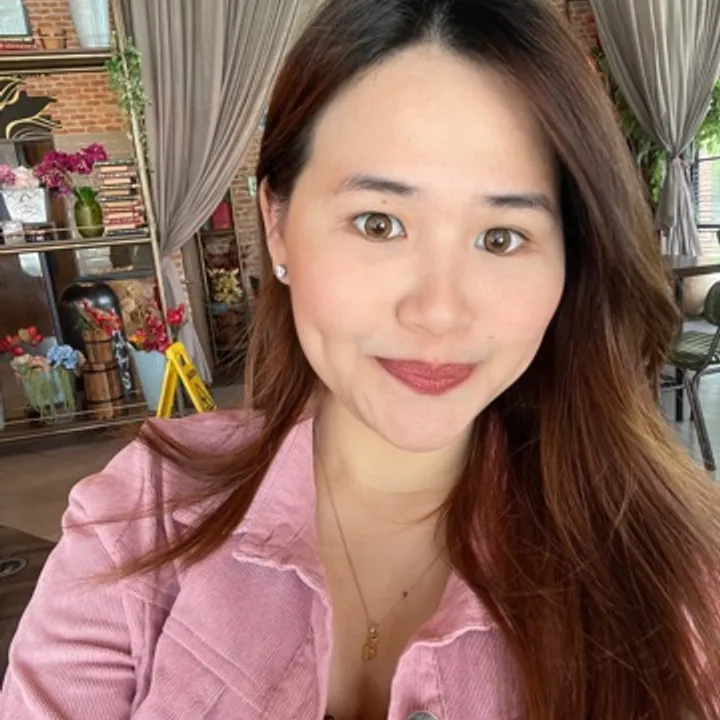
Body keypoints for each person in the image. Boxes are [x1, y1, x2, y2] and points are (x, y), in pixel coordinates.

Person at [2, 0, 720, 717]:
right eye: (379, 224)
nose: (439, 311)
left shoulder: (673, 570)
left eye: (501, 237)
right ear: (277, 226)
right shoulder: (146, 514)